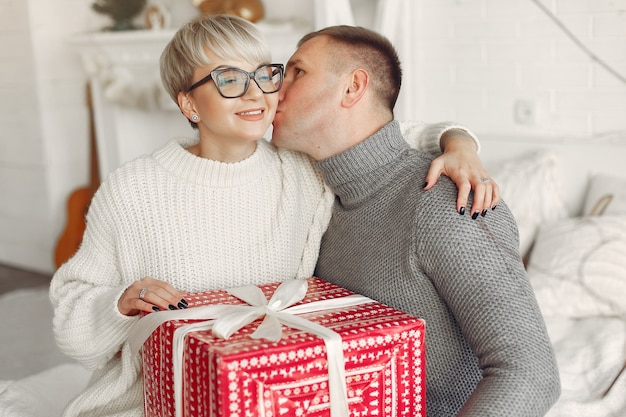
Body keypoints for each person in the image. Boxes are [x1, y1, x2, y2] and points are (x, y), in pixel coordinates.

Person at [50, 15, 496, 417]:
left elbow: (390, 134)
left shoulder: (302, 166)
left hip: (278, 390)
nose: (256, 93)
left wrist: (459, 143)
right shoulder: (132, 189)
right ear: (187, 104)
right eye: (228, 78)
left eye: (264, 75)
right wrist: (118, 303)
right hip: (160, 398)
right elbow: (71, 305)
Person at [271, 25, 561, 417]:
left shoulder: (445, 199)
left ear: (353, 87)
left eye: (297, 71)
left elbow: (530, 373)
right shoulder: (317, 203)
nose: (276, 89)